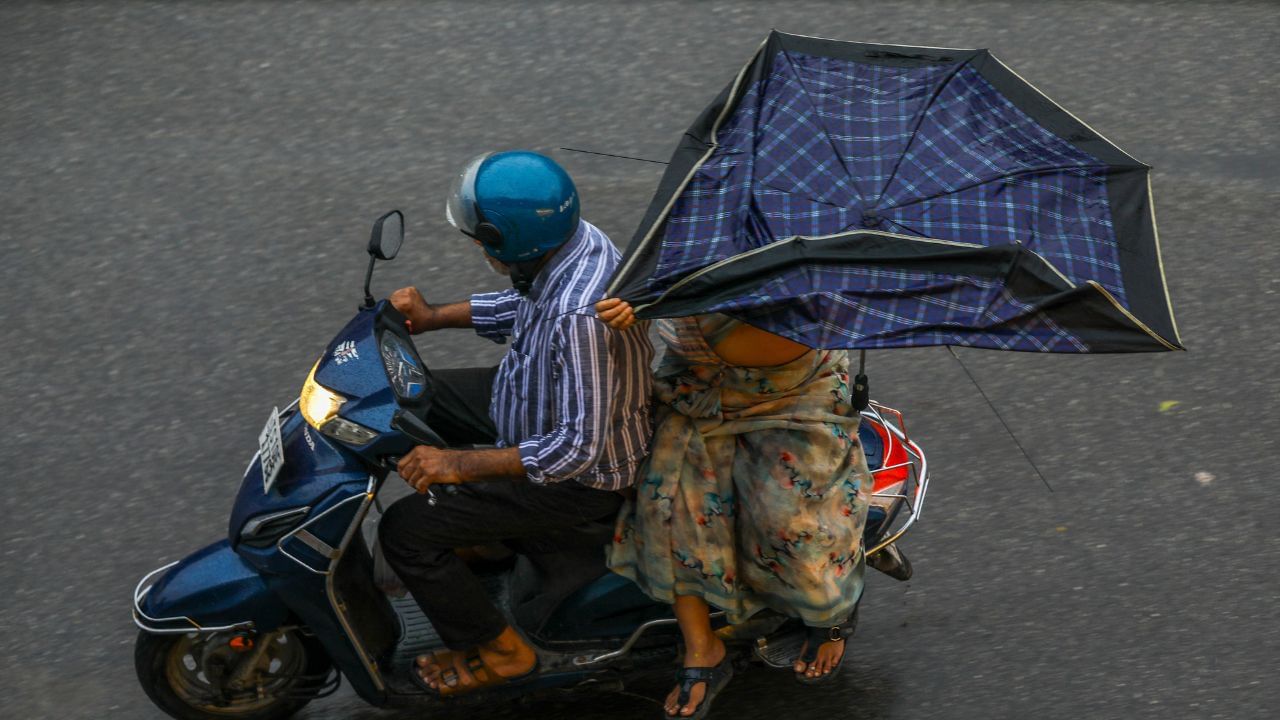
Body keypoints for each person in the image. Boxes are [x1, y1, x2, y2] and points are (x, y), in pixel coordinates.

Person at [378, 151, 654, 697]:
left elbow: (576, 449)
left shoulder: (582, 321)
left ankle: (505, 652)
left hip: (577, 483)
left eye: (481, 238)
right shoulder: (570, 242)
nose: (478, 247)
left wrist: (460, 465)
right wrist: (434, 317)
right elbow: (522, 307)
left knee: (405, 534)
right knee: (408, 399)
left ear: (508, 240)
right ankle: (493, 543)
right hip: (530, 401)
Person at [597, 300, 873, 719]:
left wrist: (654, 303)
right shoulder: (683, 254)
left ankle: (833, 617)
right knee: (667, 511)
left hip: (792, 399)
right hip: (696, 392)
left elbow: (750, 341)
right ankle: (702, 648)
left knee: (794, 530)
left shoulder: (792, 286)